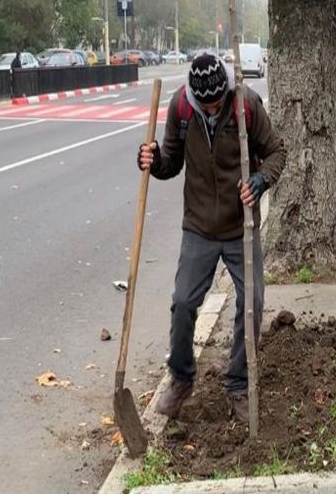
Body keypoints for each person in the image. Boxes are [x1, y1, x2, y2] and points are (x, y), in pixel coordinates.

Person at [136, 53, 286, 420]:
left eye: (218, 102)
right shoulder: (181, 108)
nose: (213, 109)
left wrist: (260, 181)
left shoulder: (246, 103)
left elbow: (277, 152)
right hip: (199, 226)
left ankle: (237, 384)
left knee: (251, 303)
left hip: (240, 227)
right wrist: (153, 161)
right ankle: (182, 379)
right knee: (183, 303)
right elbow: (171, 163)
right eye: (207, 104)